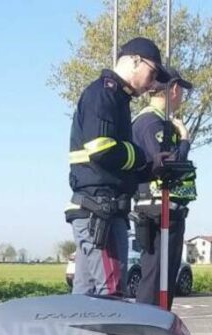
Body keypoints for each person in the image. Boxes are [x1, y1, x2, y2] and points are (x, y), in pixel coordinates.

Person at [66, 37, 170, 296]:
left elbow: (115, 161)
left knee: (86, 298)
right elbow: (101, 149)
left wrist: (152, 169)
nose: (153, 83)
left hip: (98, 208)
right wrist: (143, 157)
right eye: (153, 72)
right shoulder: (104, 94)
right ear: (135, 61)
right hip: (99, 211)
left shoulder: (116, 99)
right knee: (110, 296)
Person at [131, 67, 196, 308]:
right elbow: (167, 164)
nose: (181, 97)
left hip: (164, 209)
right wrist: (185, 140)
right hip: (160, 210)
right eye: (181, 91)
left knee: (163, 277)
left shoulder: (154, 122)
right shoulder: (151, 123)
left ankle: (153, 331)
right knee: (157, 277)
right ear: (174, 89)